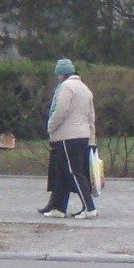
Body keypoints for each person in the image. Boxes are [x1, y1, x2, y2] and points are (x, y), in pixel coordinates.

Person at [39, 59, 96, 218]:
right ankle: (59, 208)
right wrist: (92, 138)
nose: (57, 78)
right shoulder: (84, 88)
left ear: (62, 74)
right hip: (83, 135)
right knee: (63, 171)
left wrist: (50, 126)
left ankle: (89, 207)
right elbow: (91, 116)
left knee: (74, 171)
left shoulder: (66, 87)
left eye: (58, 74)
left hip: (68, 136)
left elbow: (60, 111)